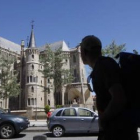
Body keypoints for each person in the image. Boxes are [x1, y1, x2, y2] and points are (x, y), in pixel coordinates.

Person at [80, 35, 138, 140]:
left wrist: (103, 118)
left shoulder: (104, 66)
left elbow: (119, 98)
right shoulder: (101, 66)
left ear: (84, 52)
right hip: (116, 130)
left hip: (119, 132)